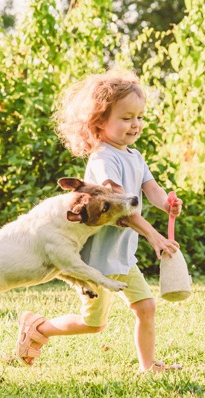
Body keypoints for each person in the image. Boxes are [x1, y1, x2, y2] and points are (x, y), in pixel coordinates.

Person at [15, 69, 183, 373]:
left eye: (139, 117)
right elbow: (122, 209)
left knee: (146, 308)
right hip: (95, 261)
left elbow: (152, 189)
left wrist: (167, 203)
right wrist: (154, 237)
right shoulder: (104, 159)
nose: (135, 125)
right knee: (93, 324)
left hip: (121, 256)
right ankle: (38, 327)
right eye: (126, 117)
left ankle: (149, 368)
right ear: (99, 122)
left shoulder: (134, 156)